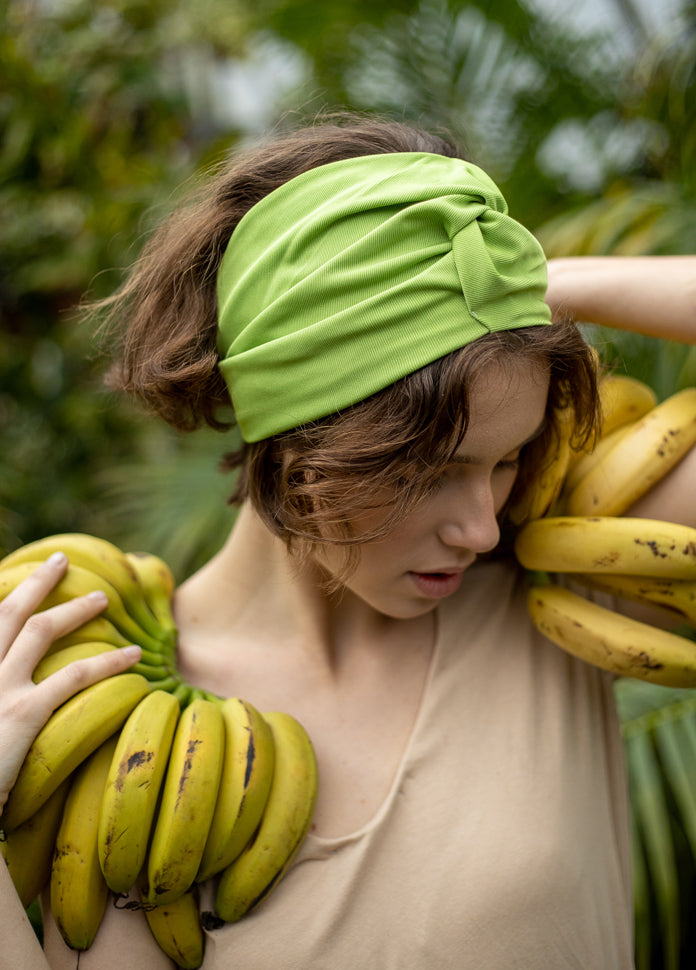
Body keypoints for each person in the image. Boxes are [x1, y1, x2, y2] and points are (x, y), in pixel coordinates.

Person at [1, 114, 695, 970]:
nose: (479, 527)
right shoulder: (87, 717)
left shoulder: (561, 581)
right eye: (431, 472)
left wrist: (525, 282)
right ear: (298, 440)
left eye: (506, 462)